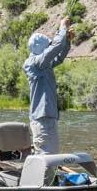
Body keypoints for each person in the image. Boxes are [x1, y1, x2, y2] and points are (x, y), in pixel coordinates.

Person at [23, 17, 72, 155]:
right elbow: (56, 47)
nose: (49, 50)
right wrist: (62, 27)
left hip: (48, 117)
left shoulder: (43, 65)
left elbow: (59, 57)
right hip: (42, 119)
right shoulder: (35, 63)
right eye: (47, 47)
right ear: (41, 49)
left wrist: (67, 40)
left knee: (52, 157)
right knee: (46, 158)